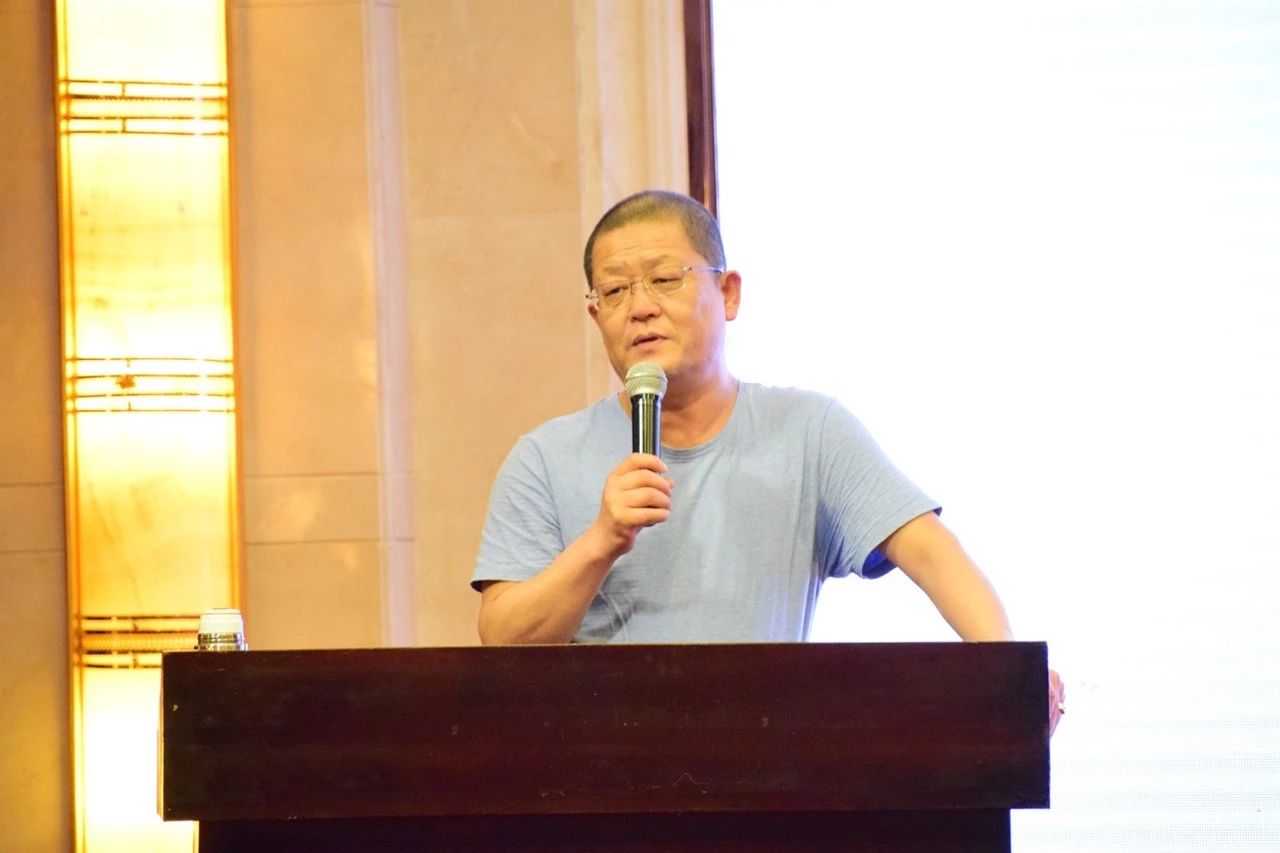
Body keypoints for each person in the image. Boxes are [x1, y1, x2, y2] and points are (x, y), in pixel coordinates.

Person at [471, 189, 1064, 734]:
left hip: (766, 765)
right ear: (595, 314)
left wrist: (1011, 671)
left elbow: (932, 551)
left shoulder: (809, 430)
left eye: (664, 279)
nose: (640, 307)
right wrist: (602, 540)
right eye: (615, 290)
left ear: (728, 293)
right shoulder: (544, 457)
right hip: (601, 774)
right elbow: (502, 639)